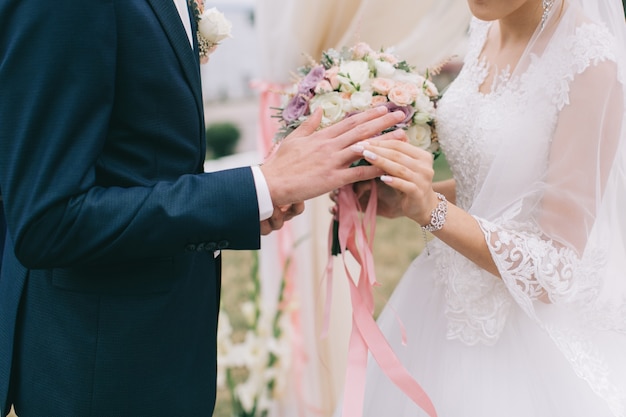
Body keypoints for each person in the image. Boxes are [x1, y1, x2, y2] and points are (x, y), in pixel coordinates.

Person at [0, 1, 410, 416]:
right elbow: (49, 220)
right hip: (100, 375)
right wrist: (256, 188)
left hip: (166, 361)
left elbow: (140, 161)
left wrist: (247, 202)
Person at [334, 0, 626, 415]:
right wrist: (405, 200)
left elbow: (554, 271)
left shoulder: (591, 62)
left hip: (525, 340)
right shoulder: (484, 26)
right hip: (439, 302)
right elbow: (497, 185)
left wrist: (432, 210)